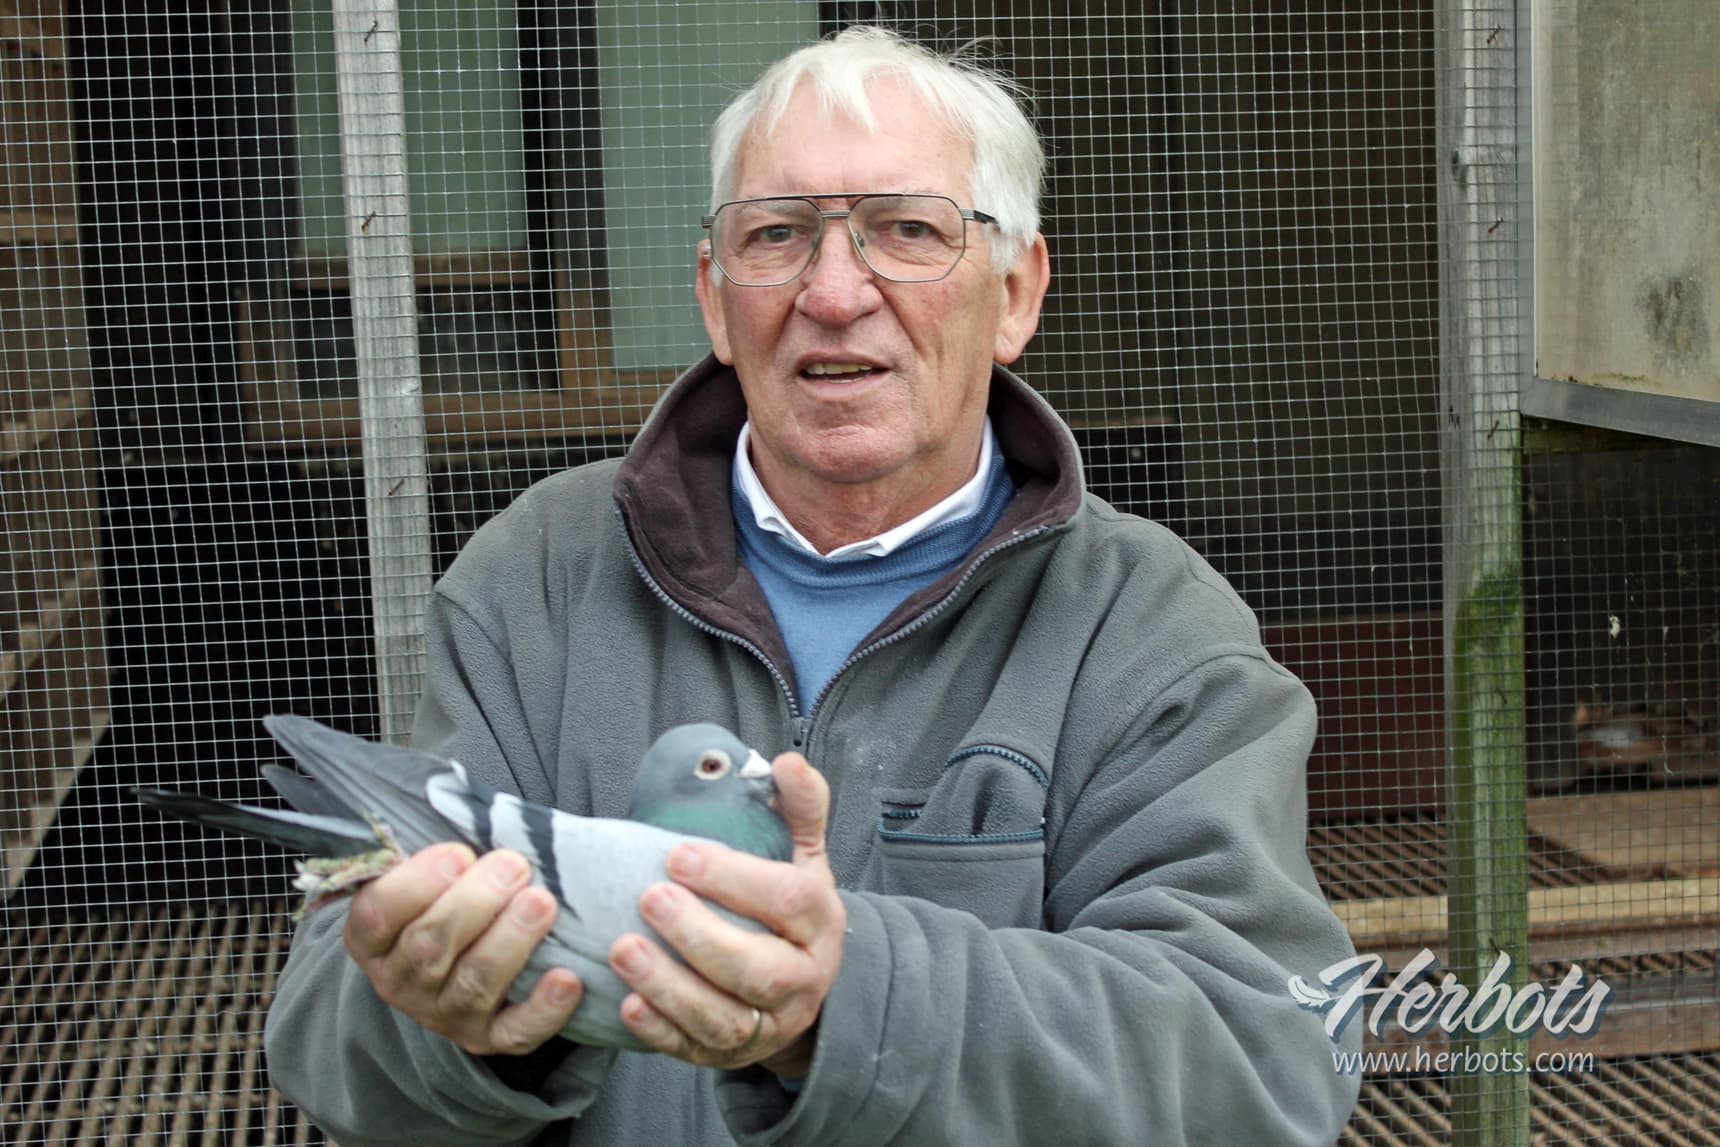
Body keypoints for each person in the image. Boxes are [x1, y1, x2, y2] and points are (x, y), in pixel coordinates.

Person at [267, 26, 1362, 1146]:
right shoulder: (535, 579)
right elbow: (321, 1027)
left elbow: (1264, 1059)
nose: (835, 293)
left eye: (908, 230)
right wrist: (453, 1027)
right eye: (778, 234)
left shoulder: (1148, 631)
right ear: (713, 296)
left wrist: (844, 1004)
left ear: (1015, 291)